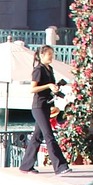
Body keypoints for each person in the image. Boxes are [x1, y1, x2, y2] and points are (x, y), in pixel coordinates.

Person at [19, 45, 71, 175]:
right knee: (49, 135)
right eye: (49, 54)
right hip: (39, 107)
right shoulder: (38, 70)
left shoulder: (49, 69)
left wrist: (56, 89)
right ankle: (60, 167)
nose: (51, 57)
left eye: (52, 54)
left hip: (47, 106)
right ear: (42, 55)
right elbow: (33, 89)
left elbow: (49, 88)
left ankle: (26, 166)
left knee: (37, 136)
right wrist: (48, 85)